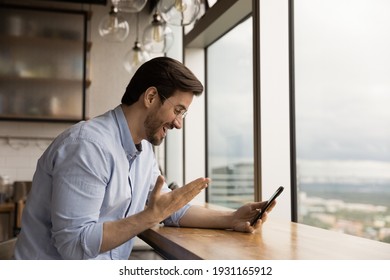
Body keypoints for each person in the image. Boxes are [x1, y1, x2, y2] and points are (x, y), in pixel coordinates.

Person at [14, 57, 276, 260]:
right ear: (151, 97)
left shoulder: (143, 151)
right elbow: (74, 245)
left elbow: (168, 210)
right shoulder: (89, 146)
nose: (178, 123)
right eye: (178, 110)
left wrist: (231, 219)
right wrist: (149, 217)